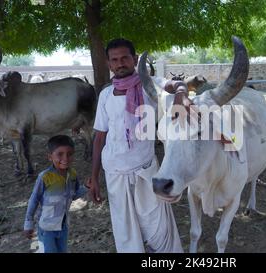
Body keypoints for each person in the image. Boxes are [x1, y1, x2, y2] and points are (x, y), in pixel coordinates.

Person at [87, 38, 190, 253]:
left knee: (159, 231)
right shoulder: (106, 95)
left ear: (134, 59)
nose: (120, 63)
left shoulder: (150, 86)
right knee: (126, 234)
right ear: (108, 64)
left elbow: (178, 84)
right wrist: (95, 177)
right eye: (114, 60)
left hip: (146, 171)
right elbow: (99, 137)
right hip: (115, 173)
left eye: (125, 57)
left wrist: (180, 94)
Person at [24, 135, 88, 253]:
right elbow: (34, 199)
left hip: (63, 227)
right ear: (50, 157)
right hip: (47, 227)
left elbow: (73, 195)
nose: (65, 158)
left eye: (69, 154)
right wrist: (28, 223)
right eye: (60, 154)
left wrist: (87, 187)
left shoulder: (73, 174)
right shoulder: (45, 177)